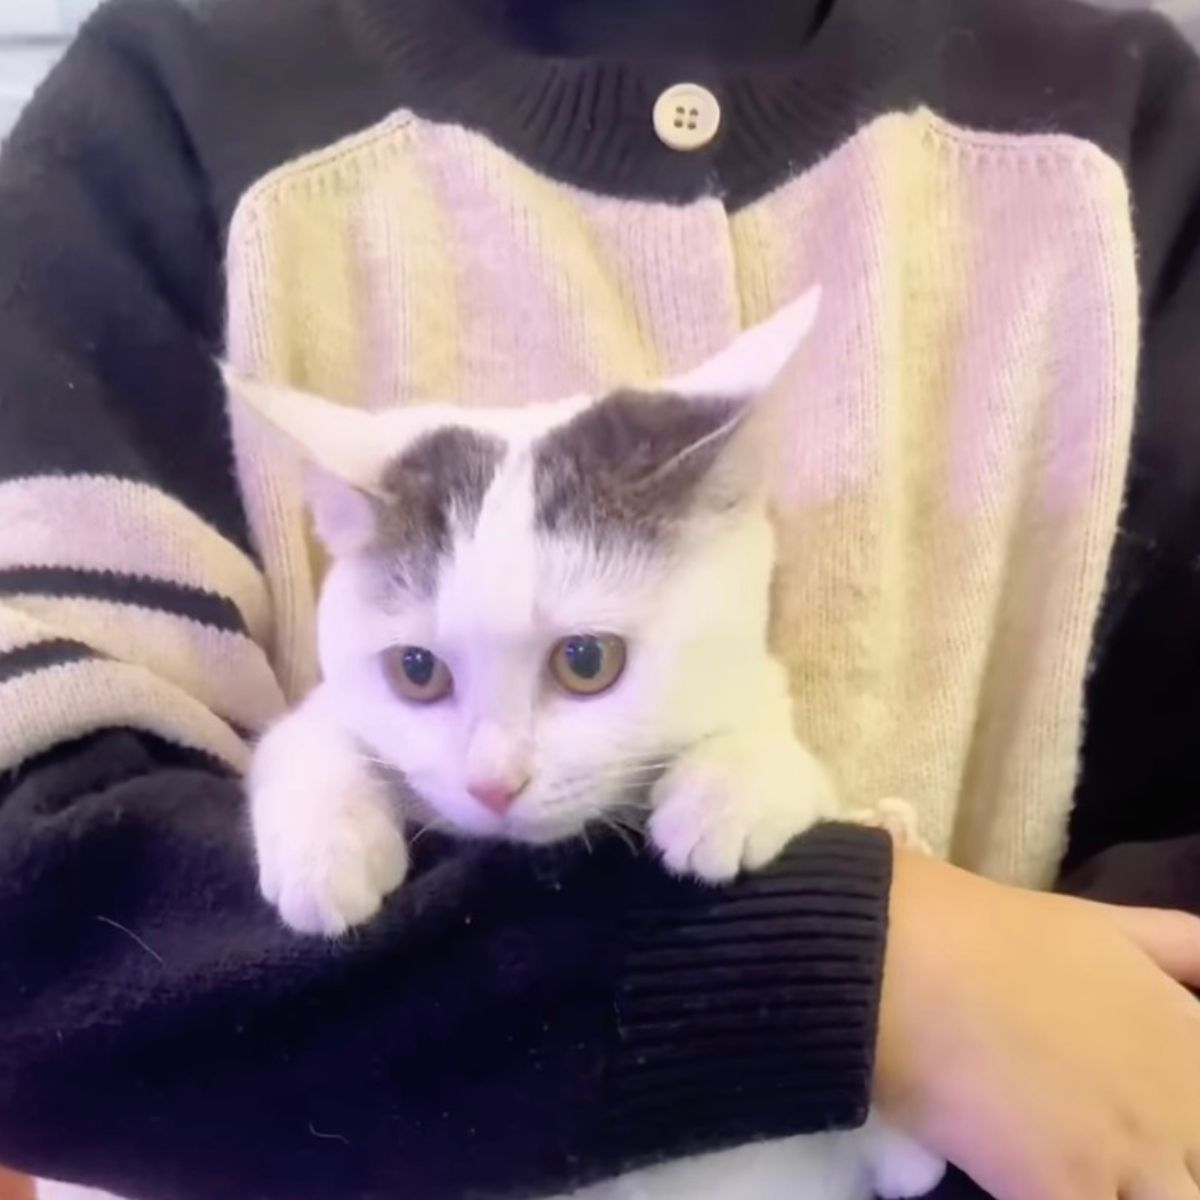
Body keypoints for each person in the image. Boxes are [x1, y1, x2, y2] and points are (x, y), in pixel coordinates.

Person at [1, 0, 1200, 1198]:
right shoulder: (178, 110)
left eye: (582, 663)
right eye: (421, 672)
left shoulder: (1133, 129)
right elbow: (38, 923)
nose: (493, 776)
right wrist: (851, 977)